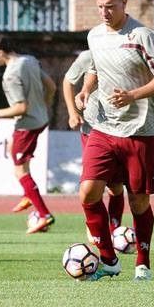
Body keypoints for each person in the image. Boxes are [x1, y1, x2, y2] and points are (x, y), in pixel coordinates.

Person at [75, 0, 154, 282]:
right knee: (88, 193)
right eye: (100, 6)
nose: (104, 12)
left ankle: (142, 262)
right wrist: (86, 90)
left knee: (138, 201)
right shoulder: (94, 36)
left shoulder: (143, 36)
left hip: (141, 130)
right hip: (104, 127)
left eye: (110, 6)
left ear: (124, 3)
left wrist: (132, 95)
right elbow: (94, 70)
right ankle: (108, 259)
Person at [0, 32, 57, 234]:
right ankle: (28, 194)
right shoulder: (29, 60)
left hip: (27, 125)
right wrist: (44, 106)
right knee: (12, 148)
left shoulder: (10, 75)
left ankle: (44, 215)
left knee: (20, 171)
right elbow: (51, 86)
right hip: (40, 120)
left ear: (0, 52)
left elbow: (21, 107)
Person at [62, 50, 126, 236]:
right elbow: (68, 81)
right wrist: (72, 113)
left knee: (115, 186)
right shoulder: (88, 56)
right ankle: (95, 228)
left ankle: (114, 231)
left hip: (118, 130)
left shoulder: (125, 54)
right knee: (91, 185)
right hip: (91, 130)